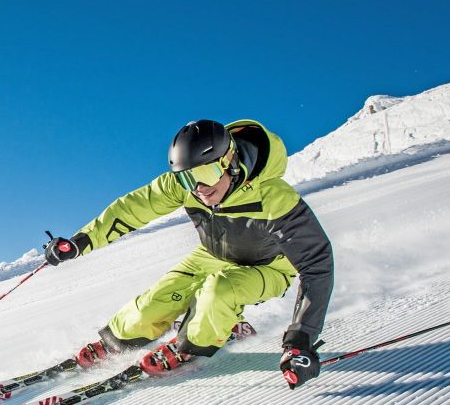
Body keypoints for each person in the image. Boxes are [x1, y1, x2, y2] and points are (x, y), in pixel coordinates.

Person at [44, 120, 333, 389]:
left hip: (268, 266)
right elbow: (132, 208)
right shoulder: (190, 189)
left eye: (205, 174)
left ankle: (192, 345)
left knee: (218, 292)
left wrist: (300, 339)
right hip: (212, 255)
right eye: (186, 179)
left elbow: (316, 264)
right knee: (151, 305)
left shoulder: (274, 197)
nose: (198, 189)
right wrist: (81, 241)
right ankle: (118, 341)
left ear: (229, 162)